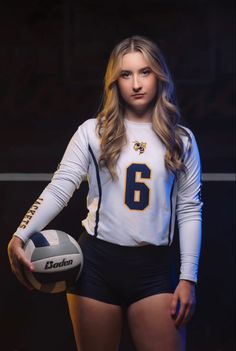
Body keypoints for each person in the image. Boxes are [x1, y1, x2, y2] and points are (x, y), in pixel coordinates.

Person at [8, 35, 203, 351]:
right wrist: (20, 234)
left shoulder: (181, 140)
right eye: (126, 74)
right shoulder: (92, 131)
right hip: (96, 266)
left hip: (155, 270)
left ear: (159, 76)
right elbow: (62, 187)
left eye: (145, 72)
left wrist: (188, 278)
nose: (136, 83)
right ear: (115, 82)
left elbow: (190, 209)